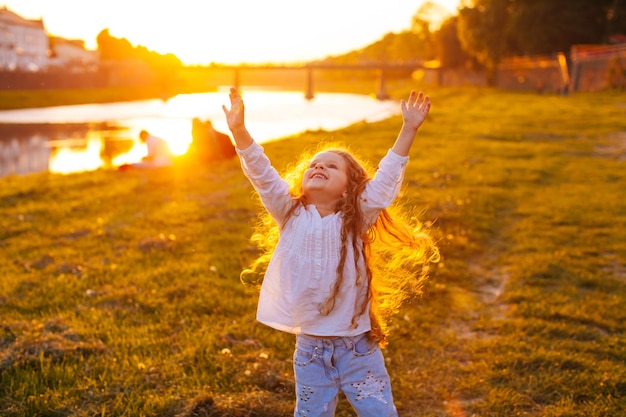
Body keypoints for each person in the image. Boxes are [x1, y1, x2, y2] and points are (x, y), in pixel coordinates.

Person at [222, 87, 439, 417]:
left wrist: (408, 128)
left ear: (350, 188)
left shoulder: (356, 217)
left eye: (331, 167)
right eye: (314, 165)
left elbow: (385, 183)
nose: (319, 167)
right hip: (310, 351)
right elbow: (263, 175)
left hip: (358, 349)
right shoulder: (289, 212)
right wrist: (239, 131)